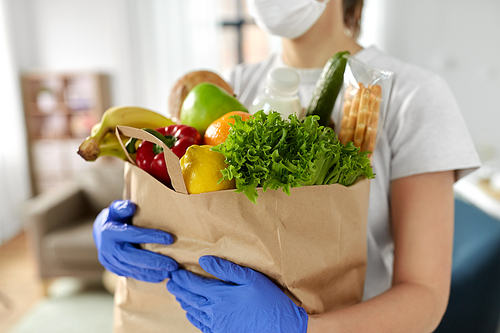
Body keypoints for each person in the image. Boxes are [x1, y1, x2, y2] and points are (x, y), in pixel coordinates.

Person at [93, 0, 482, 331]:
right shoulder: (234, 86)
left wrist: (300, 328)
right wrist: (135, 224)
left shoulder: (414, 95)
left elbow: (425, 298)